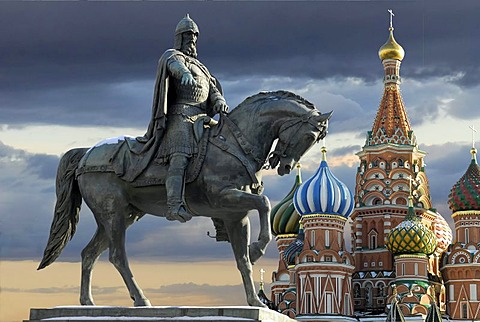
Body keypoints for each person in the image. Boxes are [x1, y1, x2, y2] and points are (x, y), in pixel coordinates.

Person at [138, 14, 228, 223]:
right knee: (180, 157)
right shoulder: (173, 56)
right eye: (188, 36)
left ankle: (220, 215)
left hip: (203, 119)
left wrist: (219, 101)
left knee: (222, 155)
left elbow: (213, 89)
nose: (192, 40)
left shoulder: (203, 68)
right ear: (180, 38)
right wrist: (183, 73)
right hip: (181, 117)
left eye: (195, 36)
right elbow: (173, 65)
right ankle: (174, 205)